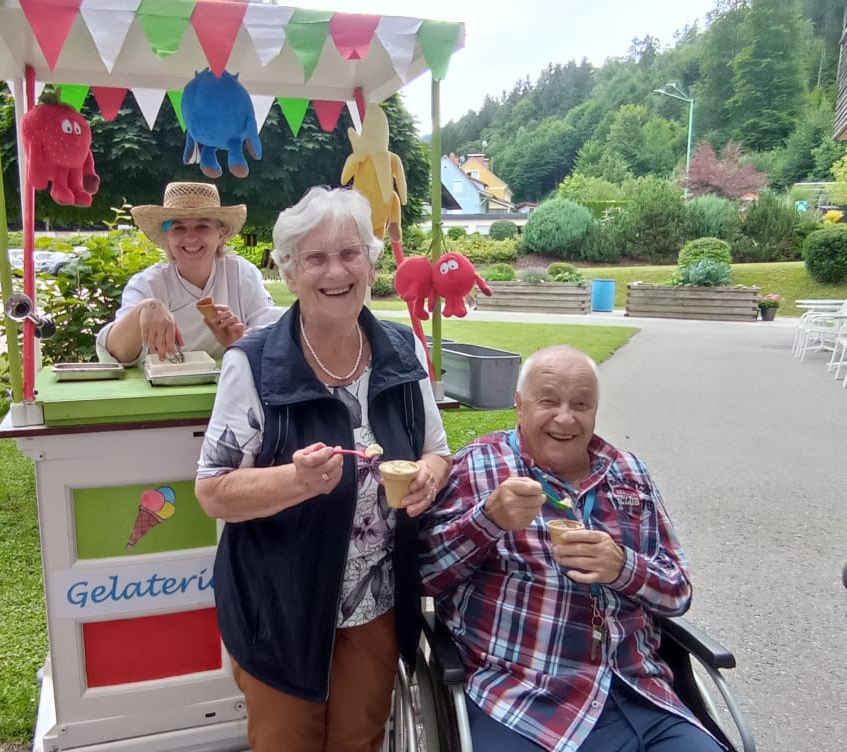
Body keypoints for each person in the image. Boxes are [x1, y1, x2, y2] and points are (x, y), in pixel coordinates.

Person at [195, 186, 452, 751]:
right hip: (279, 608)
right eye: (315, 258)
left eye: (350, 253)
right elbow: (212, 491)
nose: (336, 271)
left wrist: (430, 475)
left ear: (371, 264)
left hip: (376, 602)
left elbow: (436, 449)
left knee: (360, 741)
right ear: (289, 273)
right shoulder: (253, 363)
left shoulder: (401, 348)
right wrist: (295, 481)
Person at [420, 345, 726, 752]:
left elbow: (678, 592)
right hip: (520, 698)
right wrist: (487, 519)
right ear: (519, 405)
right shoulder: (478, 466)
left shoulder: (629, 473)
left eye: (580, 404)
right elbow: (424, 576)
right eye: (548, 401)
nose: (565, 418)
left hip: (637, 690)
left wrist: (622, 567)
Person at [95, 181, 279, 364]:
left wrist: (240, 342)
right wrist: (144, 309)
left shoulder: (240, 273)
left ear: (220, 234)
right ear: (167, 237)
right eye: (179, 228)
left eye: (202, 226)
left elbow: (272, 331)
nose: (190, 237)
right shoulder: (147, 284)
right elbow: (115, 353)